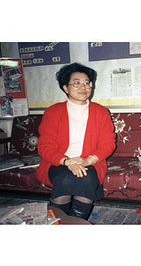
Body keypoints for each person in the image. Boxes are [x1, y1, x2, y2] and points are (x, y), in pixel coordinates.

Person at [35, 63, 116, 220]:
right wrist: (67, 162)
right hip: (59, 162)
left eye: (87, 83)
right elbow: (45, 146)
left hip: (90, 162)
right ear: (66, 87)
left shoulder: (100, 112)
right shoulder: (53, 112)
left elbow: (108, 143)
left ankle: (76, 223)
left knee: (86, 178)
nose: (83, 87)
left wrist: (87, 160)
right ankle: (57, 222)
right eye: (77, 82)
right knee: (65, 178)